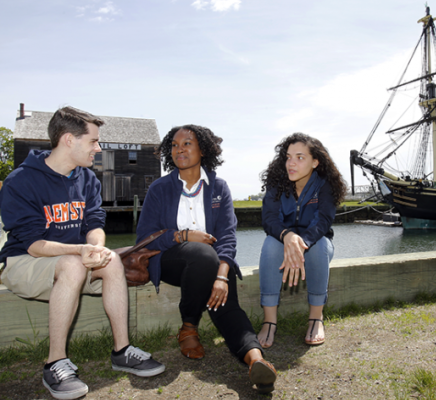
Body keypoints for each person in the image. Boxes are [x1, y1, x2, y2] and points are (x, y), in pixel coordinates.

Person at [0, 106, 165, 400]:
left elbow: (94, 224)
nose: (98, 149)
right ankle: (55, 362)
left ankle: (122, 350)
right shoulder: (21, 181)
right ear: (68, 140)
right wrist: (81, 250)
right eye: (93, 141)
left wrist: (97, 248)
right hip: (24, 262)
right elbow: (33, 244)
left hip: (71, 261)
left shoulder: (87, 179)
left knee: (112, 259)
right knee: (74, 266)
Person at [136, 124, 277, 393]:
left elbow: (227, 236)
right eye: (175, 145)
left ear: (203, 149)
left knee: (227, 303)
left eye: (187, 143)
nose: (179, 149)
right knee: (202, 253)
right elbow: (145, 237)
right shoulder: (159, 188)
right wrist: (182, 236)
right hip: (170, 261)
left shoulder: (219, 187)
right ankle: (189, 325)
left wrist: (223, 276)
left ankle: (256, 361)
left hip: (212, 266)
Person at [257, 133, 347, 348]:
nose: (291, 163)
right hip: (282, 241)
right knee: (270, 244)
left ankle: (316, 318)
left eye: (299, 157)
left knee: (320, 247)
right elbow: (269, 219)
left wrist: (301, 242)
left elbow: (322, 222)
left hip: (316, 242)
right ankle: (269, 320)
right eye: (288, 157)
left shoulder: (325, 185)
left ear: (315, 162)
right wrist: (287, 236)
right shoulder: (276, 183)